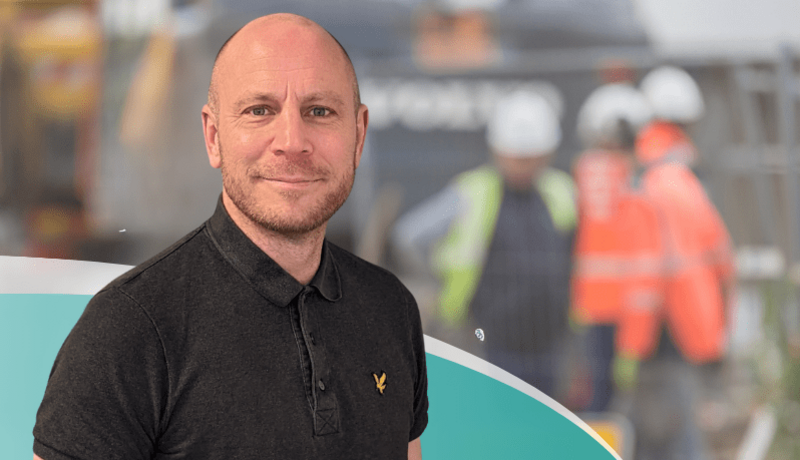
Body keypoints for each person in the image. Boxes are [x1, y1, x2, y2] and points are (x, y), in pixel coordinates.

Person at [32, 14, 428, 460]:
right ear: (214, 136)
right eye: (260, 111)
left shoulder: (391, 309)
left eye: (320, 111)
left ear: (358, 134)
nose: (292, 141)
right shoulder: (128, 331)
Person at [392, 90, 577, 400]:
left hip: (549, 341)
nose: (524, 165)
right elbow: (409, 236)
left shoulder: (561, 192)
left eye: (532, 158)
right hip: (482, 338)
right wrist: (436, 282)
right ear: (497, 151)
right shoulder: (472, 193)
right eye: (517, 157)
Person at [621, 65, 735, 460]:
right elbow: (716, 261)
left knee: (656, 435)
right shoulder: (679, 179)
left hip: (651, 330)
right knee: (676, 439)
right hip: (677, 331)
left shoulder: (646, 175)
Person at [570, 82, 662, 412]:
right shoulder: (641, 184)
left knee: (592, 400)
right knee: (618, 408)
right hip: (629, 316)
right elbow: (644, 266)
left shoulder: (579, 176)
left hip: (587, 309)